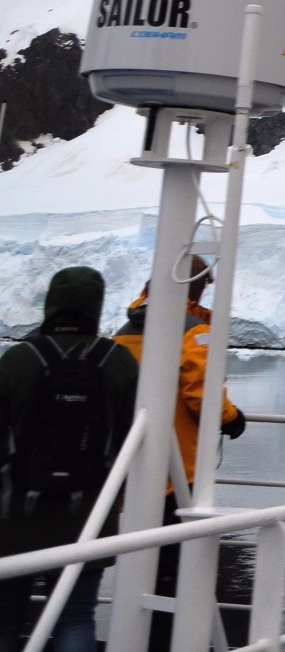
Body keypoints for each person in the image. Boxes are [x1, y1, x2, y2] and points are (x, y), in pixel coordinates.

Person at [113, 254, 247, 652]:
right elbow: (201, 392)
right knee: (176, 570)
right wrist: (232, 418)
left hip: (133, 471)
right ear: (195, 288)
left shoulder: (125, 330)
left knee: (139, 569)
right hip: (177, 473)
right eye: (205, 286)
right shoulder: (193, 330)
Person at [0, 267, 139, 652]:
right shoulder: (119, 362)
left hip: (13, 516)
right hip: (88, 512)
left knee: (5, 621)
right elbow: (131, 435)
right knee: (75, 617)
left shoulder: (18, 359)